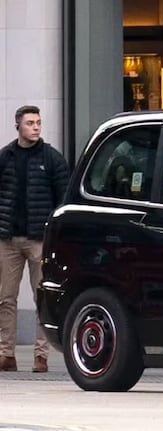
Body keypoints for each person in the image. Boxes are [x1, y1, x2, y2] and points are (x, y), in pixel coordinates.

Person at [0, 105, 70, 372]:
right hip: (8, 238)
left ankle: (41, 356)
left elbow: (63, 197)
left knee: (42, 296)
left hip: (40, 239)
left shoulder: (51, 158)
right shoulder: (5, 157)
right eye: (30, 123)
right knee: (6, 298)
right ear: (18, 125)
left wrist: (54, 232)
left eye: (39, 122)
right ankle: (6, 354)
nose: (36, 127)